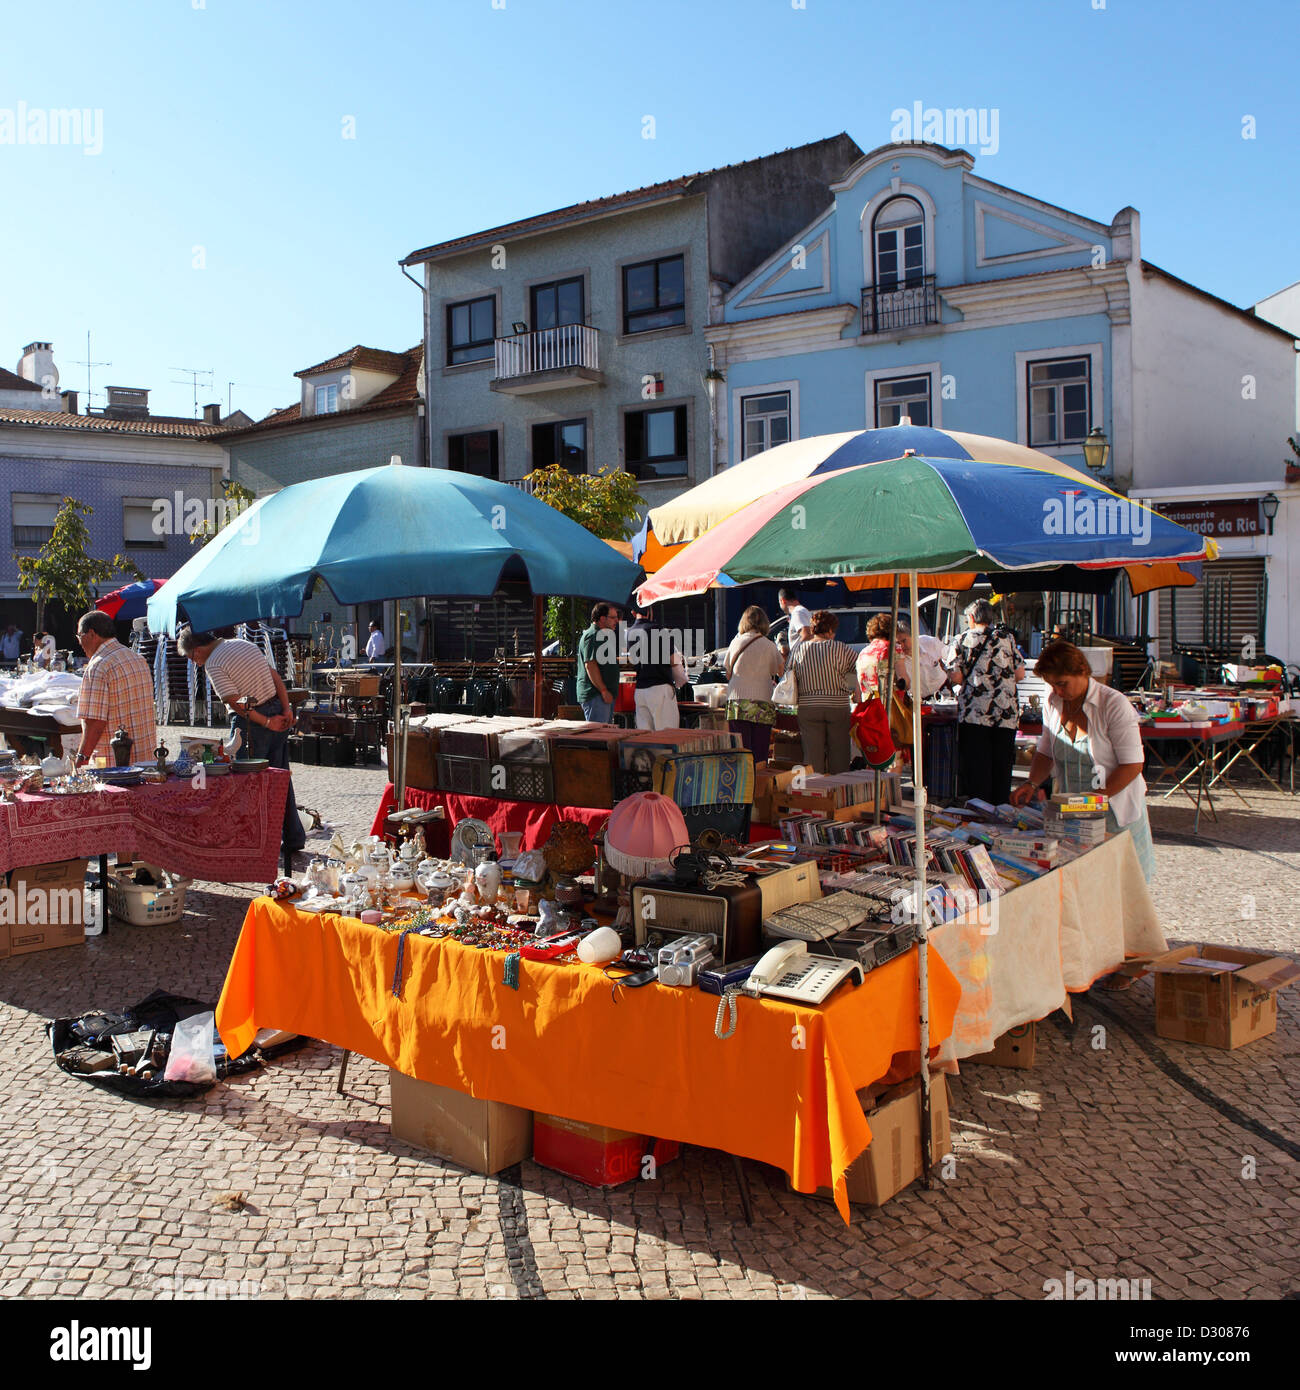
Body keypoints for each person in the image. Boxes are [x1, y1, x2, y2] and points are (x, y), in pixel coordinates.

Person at [1011, 640, 1155, 883]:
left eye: (1061, 683)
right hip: (1072, 812)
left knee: (1122, 888)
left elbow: (1132, 764)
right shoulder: (1053, 702)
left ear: (1082, 672)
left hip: (1114, 812)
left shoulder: (1114, 704)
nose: (1056, 690)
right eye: (1051, 684)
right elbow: (1046, 751)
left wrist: (1097, 798)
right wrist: (1031, 784)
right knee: (1082, 886)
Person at [177, 627, 306, 857]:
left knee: (247, 784)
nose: (195, 664)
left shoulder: (213, 663)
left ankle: (251, 841)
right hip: (275, 707)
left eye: (191, 658)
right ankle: (293, 836)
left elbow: (236, 703)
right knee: (280, 777)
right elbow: (275, 677)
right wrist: (285, 709)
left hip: (253, 722)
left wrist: (266, 722)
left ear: (197, 650)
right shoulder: (244, 644)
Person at [947, 599, 1025, 805]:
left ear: (971, 618)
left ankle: (980, 812)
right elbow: (1020, 673)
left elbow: (956, 677)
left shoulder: (962, 638)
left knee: (977, 765)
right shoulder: (1007, 637)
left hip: (976, 713)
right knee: (1002, 765)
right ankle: (1001, 809)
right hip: (1006, 713)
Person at [73, 611, 157, 767]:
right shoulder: (137, 659)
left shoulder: (98, 666)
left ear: (92, 634)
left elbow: (94, 723)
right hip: (146, 759)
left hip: (113, 765)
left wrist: (81, 760)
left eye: (79, 636)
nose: (79, 642)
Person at [790, 610, 859, 774]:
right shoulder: (840, 648)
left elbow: (787, 673)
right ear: (829, 631)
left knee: (812, 757)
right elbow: (860, 667)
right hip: (838, 707)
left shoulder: (799, 649)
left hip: (808, 706)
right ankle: (837, 792)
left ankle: (814, 793)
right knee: (840, 755)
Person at [724, 605, 786, 763]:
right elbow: (780, 671)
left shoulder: (735, 642)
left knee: (741, 752)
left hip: (737, 702)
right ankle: (758, 784)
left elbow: (727, 671)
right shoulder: (770, 646)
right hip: (762, 702)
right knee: (759, 752)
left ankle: (743, 785)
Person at [627, 605, 684, 730]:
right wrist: (682, 679)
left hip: (640, 691)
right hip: (660, 689)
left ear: (633, 612)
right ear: (650, 610)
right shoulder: (658, 630)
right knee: (666, 736)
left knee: (645, 739)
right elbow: (673, 660)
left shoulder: (629, 633)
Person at [575, 602, 620, 723]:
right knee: (598, 737)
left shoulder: (601, 635)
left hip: (601, 696)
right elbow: (590, 665)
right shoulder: (593, 635)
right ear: (602, 618)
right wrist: (604, 690)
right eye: (613, 617)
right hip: (596, 696)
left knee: (604, 736)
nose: (617, 621)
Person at [778, 589, 813, 657]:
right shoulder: (801, 611)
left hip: (802, 662)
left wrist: (793, 652)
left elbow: (806, 634)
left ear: (782, 600)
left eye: (779, 602)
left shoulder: (798, 612)